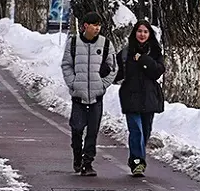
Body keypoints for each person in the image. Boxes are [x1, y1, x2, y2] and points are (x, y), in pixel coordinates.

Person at [61, 11, 116, 177]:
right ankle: (77, 156)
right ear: (86, 26)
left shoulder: (106, 44)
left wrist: (103, 84)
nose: (97, 28)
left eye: (99, 25)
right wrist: (73, 83)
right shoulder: (73, 43)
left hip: (96, 97)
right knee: (77, 129)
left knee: (92, 132)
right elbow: (66, 65)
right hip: (78, 97)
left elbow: (113, 67)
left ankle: (88, 163)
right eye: (94, 25)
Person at [115, 20, 165, 177]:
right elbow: (116, 72)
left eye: (145, 31)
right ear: (134, 33)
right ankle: (137, 162)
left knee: (146, 131)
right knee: (136, 130)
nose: (142, 34)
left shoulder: (155, 52)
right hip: (130, 97)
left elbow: (157, 72)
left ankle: (137, 158)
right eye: (139, 31)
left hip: (149, 98)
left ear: (149, 34)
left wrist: (143, 59)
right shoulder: (125, 53)